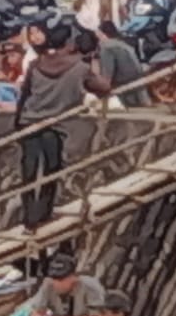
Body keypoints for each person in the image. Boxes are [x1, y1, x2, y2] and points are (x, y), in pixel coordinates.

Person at [16, 22, 111, 230]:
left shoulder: (36, 64)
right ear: (68, 43)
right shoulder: (80, 67)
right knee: (51, 169)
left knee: (29, 171)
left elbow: (24, 95)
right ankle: (43, 213)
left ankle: (29, 218)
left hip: (29, 121)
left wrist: (18, 121)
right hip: (55, 125)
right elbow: (104, 88)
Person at [27, 253, 108, 316]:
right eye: (54, 279)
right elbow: (34, 314)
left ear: (73, 277)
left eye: (61, 279)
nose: (56, 284)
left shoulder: (90, 286)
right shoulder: (48, 284)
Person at [96, 22, 149, 108]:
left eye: (98, 37)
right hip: (138, 86)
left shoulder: (107, 47)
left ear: (103, 35)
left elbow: (107, 77)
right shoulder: (124, 45)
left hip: (124, 90)